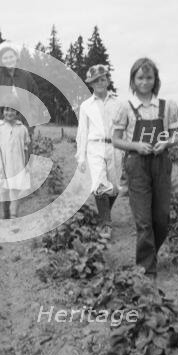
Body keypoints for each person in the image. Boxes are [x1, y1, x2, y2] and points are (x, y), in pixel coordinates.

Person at [112, 57, 178, 283]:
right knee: (143, 220)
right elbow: (116, 140)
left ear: (155, 80)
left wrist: (166, 143)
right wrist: (136, 146)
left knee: (161, 218)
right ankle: (146, 271)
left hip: (160, 163)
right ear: (133, 80)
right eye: (140, 77)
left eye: (149, 77)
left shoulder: (166, 106)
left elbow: (175, 135)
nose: (144, 81)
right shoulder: (126, 108)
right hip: (137, 164)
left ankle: (150, 255)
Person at [76, 64, 123, 240]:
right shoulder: (86, 106)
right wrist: (81, 157)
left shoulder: (118, 104)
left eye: (102, 79)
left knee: (115, 187)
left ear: (107, 80)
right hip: (94, 147)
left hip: (115, 147)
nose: (100, 83)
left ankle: (104, 215)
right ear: (91, 84)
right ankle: (106, 225)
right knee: (99, 184)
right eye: (95, 81)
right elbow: (82, 132)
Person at [0, 42, 39, 139]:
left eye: (11, 57)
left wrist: (30, 124)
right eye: (5, 58)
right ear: (1, 60)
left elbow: (35, 100)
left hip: (23, 126)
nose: (9, 60)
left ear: (16, 57)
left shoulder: (26, 77)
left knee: (22, 152)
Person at [0, 106, 31, 219]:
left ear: (17, 112)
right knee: (3, 193)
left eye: (12, 110)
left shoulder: (22, 128)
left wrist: (26, 164)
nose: (9, 113)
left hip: (17, 166)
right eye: (6, 110)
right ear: (3, 112)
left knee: (15, 193)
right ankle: (6, 215)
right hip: (2, 166)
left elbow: (26, 148)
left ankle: (13, 217)